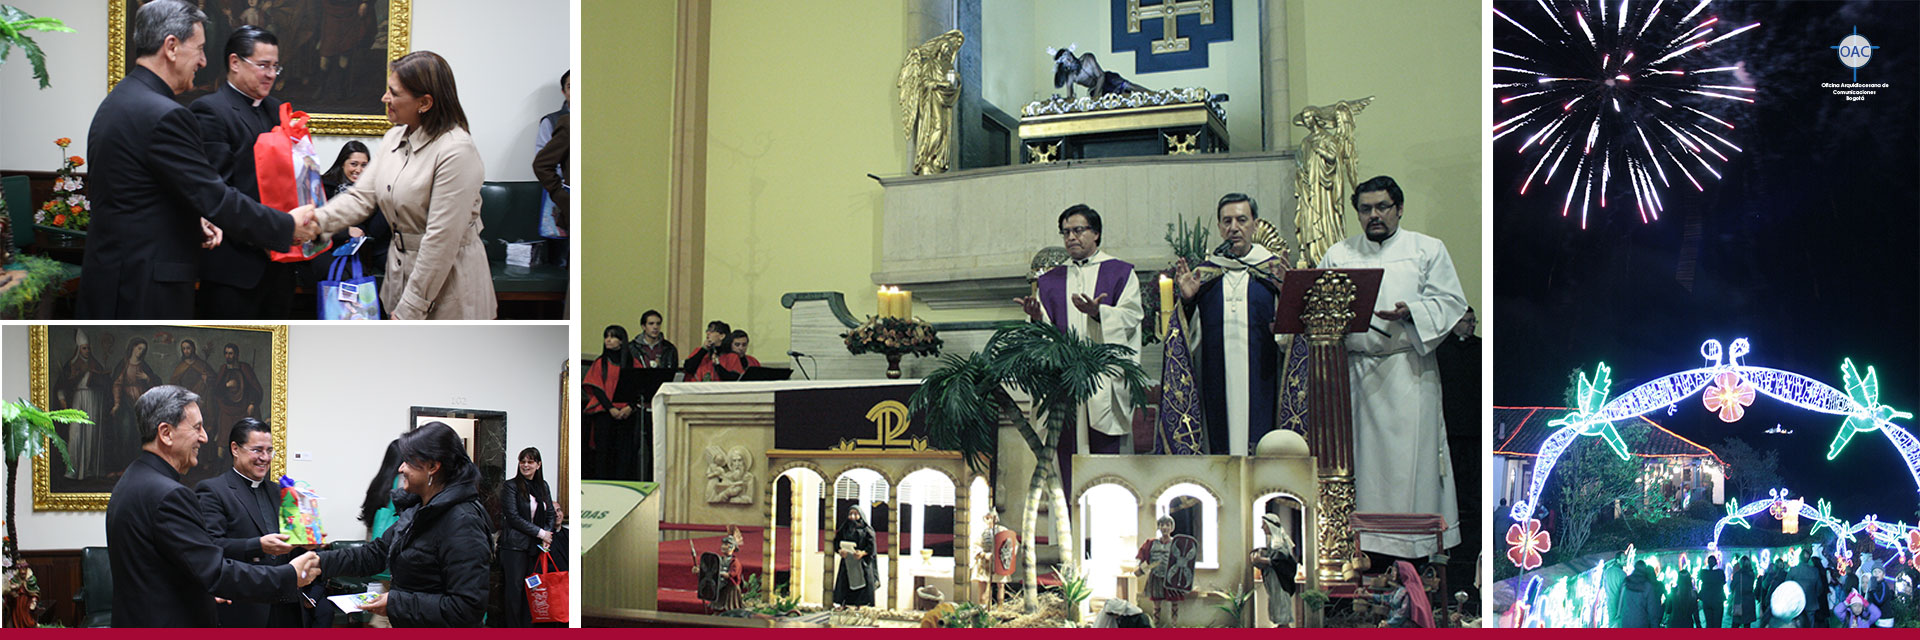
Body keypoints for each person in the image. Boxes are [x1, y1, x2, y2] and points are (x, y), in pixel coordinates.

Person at [80, 0, 317, 319]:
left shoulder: (120, 99)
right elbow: (215, 196)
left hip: (114, 273)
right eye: (200, 48)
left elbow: (144, 193)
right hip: (144, 283)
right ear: (172, 47)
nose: (204, 61)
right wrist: (286, 225)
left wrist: (195, 220)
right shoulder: (166, 115)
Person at [1318, 175, 1469, 559]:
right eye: (1366, 209)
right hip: (1357, 376)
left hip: (1409, 371)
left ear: (1399, 208)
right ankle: (1364, 549)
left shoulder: (1427, 249)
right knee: (1363, 470)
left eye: (1382, 207)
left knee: (1411, 470)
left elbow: (1451, 302)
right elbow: (1317, 302)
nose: (1374, 215)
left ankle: (1414, 552)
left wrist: (1411, 312)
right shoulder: (1338, 254)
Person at [104, 385, 321, 627]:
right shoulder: (170, 494)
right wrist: (289, 575)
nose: (205, 437)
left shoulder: (132, 479)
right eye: (197, 427)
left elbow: (171, 566)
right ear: (166, 433)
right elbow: (215, 571)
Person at [309, 50, 496, 319]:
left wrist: (412, 307)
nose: (385, 98)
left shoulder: (456, 150)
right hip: (402, 276)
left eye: (394, 93)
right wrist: (315, 221)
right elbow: (361, 197)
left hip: (447, 285)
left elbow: (440, 240)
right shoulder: (394, 138)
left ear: (425, 102)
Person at [318, 422, 493, 627]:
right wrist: (318, 562)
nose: (401, 468)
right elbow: (375, 553)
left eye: (408, 462)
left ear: (433, 467)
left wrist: (395, 603)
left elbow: (465, 608)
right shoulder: (417, 509)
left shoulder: (463, 522)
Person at [1016, 204, 1142, 459]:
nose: (1070, 237)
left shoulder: (1120, 272)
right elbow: (1044, 336)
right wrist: (1037, 318)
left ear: (1095, 233)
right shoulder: (1050, 280)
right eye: (1065, 232)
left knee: (1103, 456)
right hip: (1063, 382)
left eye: (1078, 230)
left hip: (1102, 381)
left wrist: (1099, 313)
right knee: (1065, 451)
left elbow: (1132, 316)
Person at [191, 25, 300, 320]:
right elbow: (217, 193)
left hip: (281, 263)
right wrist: (268, 236)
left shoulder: (278, 110)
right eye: (263, 65)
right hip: (235, 269)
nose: (271, 74)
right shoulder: (210, 111)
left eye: (276, 66)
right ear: (235, 62)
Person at [1172, 193, 1289, 455]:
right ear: (1219, 227)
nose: (1233, 228)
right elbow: (1188, 339)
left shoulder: (1271, 272)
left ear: (1255, 225)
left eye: (1241, 220)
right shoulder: (1207, 274)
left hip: (1263, 376)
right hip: (1215, 379)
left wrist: (1286, 294)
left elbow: (1290, 339)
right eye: (1226, 221)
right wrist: (1189, 302)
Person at [194, 417, 320, 627]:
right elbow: (211, 546)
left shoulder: (280, 491)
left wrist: (307, 540)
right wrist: (258, 546)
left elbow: (291, 542)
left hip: (287, 602)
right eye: (257, 450)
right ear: (235, 449)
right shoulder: (213, 490)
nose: (265, 458)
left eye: (269, 451)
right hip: (246, 607)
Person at [354, 439, 413, 628]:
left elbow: (369, 519)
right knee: (393, 610)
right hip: (396, 555)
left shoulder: (379, 482)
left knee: (384, 607)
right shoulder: (403, 483)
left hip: (377, 553)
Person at [318, 140, 392, 278]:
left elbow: (374, 231)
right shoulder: (325, 186)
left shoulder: (372, 191)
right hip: (328, 248)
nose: (359, 170)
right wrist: (346, 232)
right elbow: (317, 224)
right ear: (342, 164)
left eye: (364, 165)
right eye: (354, 164)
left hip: (363, 251)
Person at [500, 447, 556, 627]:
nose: (525, 465)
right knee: (514, 592)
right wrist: (541, 533)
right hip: (514, 547)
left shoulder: (543, 486)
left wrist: (547, 535)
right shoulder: (511, 486)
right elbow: (514, 517)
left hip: (536, 547)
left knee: (532, 589)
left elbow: (551, 514)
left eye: (530, 462)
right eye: (522, 461)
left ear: (538, 465)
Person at [54, 329, 112, 479]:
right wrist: (62, 400)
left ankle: (90, 470)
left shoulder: (96, 365)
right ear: (79, 349)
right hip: (78, 399)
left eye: (89, 348)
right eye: (84, 348)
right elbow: (62, 385)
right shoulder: (71, 365)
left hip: (94, 401)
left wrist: (102, 378)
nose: (87, 351)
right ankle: (73, 470)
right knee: (76, 435)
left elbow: (105, 384)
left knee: (91, 435)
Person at [584, 325, 641, 480]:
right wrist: (610, 408)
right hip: (605, 413)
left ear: (622, 341)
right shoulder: (600, 363)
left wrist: (630, 406)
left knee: (624, 453)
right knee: (603, 453)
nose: (608, 340)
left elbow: (639, 386)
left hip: (626, 413)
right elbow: (597, 389)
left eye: (613, 336)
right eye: (606, 336)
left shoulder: (633, 363)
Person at [111, 338, 160, 472]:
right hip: (127, 404)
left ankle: (141, 467)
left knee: (141, 435)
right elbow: (117, 384)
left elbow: (156, 384)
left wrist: (147, 378)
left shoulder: (144, 366)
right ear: (132, 348)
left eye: (143, 350)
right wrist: (116, 403)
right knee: (126, 434)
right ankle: (124, 467)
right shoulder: (124, 365)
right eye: (139, 348)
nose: (140, 352)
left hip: (142, 404)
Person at [1135, 516, 1193, 624]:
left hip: (1172, 577)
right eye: (1162, 525)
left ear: (1172, 527)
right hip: (1156, 576)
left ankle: (1174, 626)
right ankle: (1156, 627)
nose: (1165, 527)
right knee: (1156, 603)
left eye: (1167, 525)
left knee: (1174, 603)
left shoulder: (1177, 543)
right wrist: (1139, 567)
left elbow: (1184, 560)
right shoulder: (1151, 543)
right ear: (1159, 527)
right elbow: (1142, 556)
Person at [214, 343, 264, 456]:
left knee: (244, 439)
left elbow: (255, 388)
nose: (228, 356)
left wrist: (252, 403)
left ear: (236, 355)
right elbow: (217, 391)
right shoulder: (223, 369)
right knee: (224, 441)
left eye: (230, 353)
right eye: (226, 353)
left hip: (243, 409)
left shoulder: (244, 368)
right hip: (227, 409)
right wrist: (226, 385)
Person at [1250, 512, 1298, 627]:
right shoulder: (1272, 541)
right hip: (1274, 579)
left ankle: (1284, 627)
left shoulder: (1279, 542)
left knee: (1281, 603)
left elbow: (1280, 562)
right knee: (1276, 603)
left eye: (1264, 524)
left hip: (1280, 581)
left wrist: (1262, 560)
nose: (1262, 527)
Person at [832, 507, 878, 608]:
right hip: (848, 561)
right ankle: (844, 604)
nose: (852, 516)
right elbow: (836, 542)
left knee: (862, 585)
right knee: (845, 583)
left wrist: (863, 553)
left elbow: (871, 546)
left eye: (855, 514)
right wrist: (840, 550)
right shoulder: (844, 529)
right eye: (850, 514)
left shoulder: (867, 530)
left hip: (861, 563)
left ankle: (861, 605)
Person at [1370, 560, 1434, 628]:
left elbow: (1403, 612)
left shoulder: (1410, 591)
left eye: (1395, 571)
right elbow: (1389, 598)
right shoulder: (1400, 589)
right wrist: (1369, 595)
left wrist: (1389, 623)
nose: (1392, 573)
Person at [1616, 560, 1664, 628]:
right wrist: (1655, 625)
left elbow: (1620, 602)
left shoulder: (1626, 582)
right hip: (1641, 622)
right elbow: (1652, 610)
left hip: (1626, 621)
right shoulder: (1647, 585)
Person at [1731, 555, 1758, 628]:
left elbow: (1732, 586)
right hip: (1749, 600)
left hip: (1740, 600)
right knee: (1747, 623)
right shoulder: (1752, 574)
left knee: (1736, 623)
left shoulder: (1738, 574)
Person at [1700, 555, 1727, 628]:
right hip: (1718, 599)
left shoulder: (1703, 572)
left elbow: (1701, 579)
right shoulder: (1720, 572)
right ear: (1716, 562)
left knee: (1709, 622)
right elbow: (1724, 582)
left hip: (1707, 599)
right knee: (1717, 623)